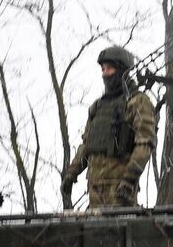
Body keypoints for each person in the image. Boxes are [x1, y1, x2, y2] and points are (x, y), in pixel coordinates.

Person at [61, 46, 156, 208]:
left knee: (118, 230)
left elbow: (145, 144)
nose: (105, 73)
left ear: (122, 71)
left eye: (110, 68)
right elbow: (87, 145)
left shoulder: (137, 102)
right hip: (95, 190)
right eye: (103, 69)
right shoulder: (97, 106)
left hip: (120, 190)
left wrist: (129, 179)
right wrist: (72, 172)